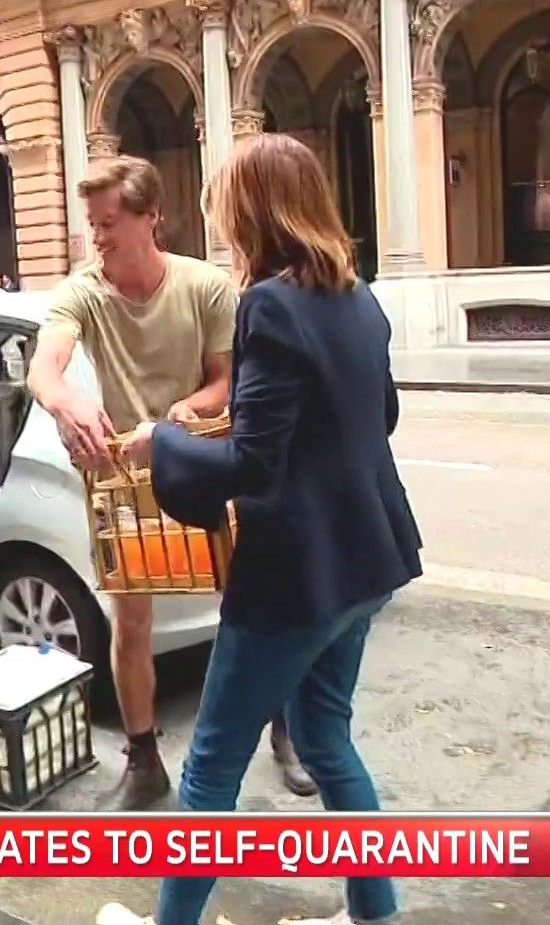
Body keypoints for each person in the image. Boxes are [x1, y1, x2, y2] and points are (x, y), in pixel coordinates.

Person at [101, 134, 423, 925]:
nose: (220, 219)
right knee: (326, 739)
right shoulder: (358, 296)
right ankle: (376, 914)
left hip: (296, 577)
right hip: (367, 560)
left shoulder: (270, 304)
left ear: (253, 212)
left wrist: (162, 442)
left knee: (212, 763)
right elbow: (380, 416)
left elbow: (253, 462)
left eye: (225, 204)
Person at [28, 155, 317, 809]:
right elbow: (45, 364)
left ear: (151, 218)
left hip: (209, 466)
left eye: (109, 222)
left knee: (256, 608)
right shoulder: (82, 291)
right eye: (92, 223)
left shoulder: (206, 286)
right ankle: (143, 761)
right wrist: (63, 402)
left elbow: (228, 381)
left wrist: (183, 415)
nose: (97, 236)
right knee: (129, 622)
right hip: (127, 479)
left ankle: (287, 731)